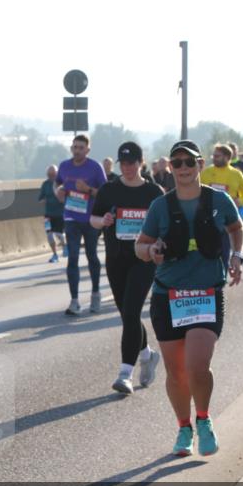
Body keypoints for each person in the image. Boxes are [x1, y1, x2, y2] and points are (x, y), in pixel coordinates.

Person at [135, 140, 243, 457]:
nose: (183, 168)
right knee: (176, 373)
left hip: (206, 293)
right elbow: (140, 246)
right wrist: (150, 251)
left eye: (189, 162)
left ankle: (204, 419)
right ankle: (184, 427)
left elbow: (237, 229)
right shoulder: (161, 206)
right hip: (168, 296)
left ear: (200, 164)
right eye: (177, 163)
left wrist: (237, 255)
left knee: (198, 366)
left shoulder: (218, 200)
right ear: (170, 167)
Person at [90, 142, 163, 394]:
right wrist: (104, 220)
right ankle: (147, 354)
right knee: (127, 315)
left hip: (143, 260)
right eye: (124, 164)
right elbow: (93, 218)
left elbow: (164, 227)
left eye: (132, 163)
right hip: (116, 259)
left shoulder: (154, 193)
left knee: (132, 312)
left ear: (141, 162)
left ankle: (125, 373)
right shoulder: (109, 190)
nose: (128, 168)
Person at [55, 135, 106, 315]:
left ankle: (95, 294)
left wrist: (88, 190)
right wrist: (59, 191)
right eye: (74, 147)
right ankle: (74, 301)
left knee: (92, 255)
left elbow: (105, 193)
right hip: (71, 217)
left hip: (90, 218)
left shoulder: (95, 167)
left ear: (87, 150)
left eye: (81, 147)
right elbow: (58, 184)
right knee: (73, 257)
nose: (77, 150)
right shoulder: (64, 166)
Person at [199, 143, 243, 227]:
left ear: (227, 157)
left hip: (229, 216)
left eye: (217, 156)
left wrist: (239, 201)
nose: (214, 158)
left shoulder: (236, 174)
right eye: (213, 156)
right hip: (209, 215)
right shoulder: (206, 172)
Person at [38, 164, 67, 263]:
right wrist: (43, 200)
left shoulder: (61, 184)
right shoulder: (45, 184)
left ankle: (64, 246)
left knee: (59, 234)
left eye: (53, 174)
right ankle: (55, 254)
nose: (51, 176)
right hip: (48, 214)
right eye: (49, 174)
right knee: (49, 234)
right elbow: (40, 199)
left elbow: (67, 197)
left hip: (59, 213)